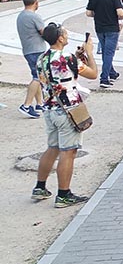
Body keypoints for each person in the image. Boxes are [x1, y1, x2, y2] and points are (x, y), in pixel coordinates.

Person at [31, 24, 99, 207]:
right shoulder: (67, 58)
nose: (67, 35)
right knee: (68, 151)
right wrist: (90, 53)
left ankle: (40, 187)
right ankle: (63, 194)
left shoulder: (41, 59)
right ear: (60, 38)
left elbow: (58, 73)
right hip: (68, 110)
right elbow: (93, 74)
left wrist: (77, 58)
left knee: (52, 147)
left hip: (50, 108)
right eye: (65, 33)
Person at [84, 0, 123, 88]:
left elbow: (88, 13)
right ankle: (104, 78)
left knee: (105, 50)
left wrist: (96, 14)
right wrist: (121, 18)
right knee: (109, 53)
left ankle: (112, 73)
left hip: (99, 27)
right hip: (112, 27)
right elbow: (120, 13)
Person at [17, 0, 48, 119]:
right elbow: (44, 33)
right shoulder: (34, 17)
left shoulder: (21, 16)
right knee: (38, 77)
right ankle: (26, 104)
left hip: (28, 49)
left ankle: (39, 103)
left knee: (37, 75)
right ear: (35, 3)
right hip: (37, 49)